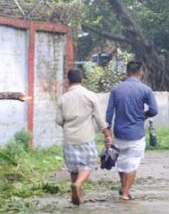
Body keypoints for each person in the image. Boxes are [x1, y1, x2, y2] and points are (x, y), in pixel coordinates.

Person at [56, 67, 112, 205]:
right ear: (82, 80)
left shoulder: (63, 98)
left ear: (68, 81)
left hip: (69, 138)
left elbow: (58, 120)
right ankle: (78, 185)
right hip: (86, 137)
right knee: (88, 165)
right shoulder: (90, 95)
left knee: (73, 168)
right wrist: (107, 135)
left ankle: (77, 195)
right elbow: (99, 119)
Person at [106, 60, 159, 200]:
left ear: (127, 72)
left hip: (119, 133)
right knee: (132, 163)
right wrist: (143, 115)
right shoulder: (145, 90)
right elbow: (154, 110)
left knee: (122, 162)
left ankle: (124, 188)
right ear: (141, 73)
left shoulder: (116, 89)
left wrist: (107, 132)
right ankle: (124, 193)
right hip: (136, 133)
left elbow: (109, 114)